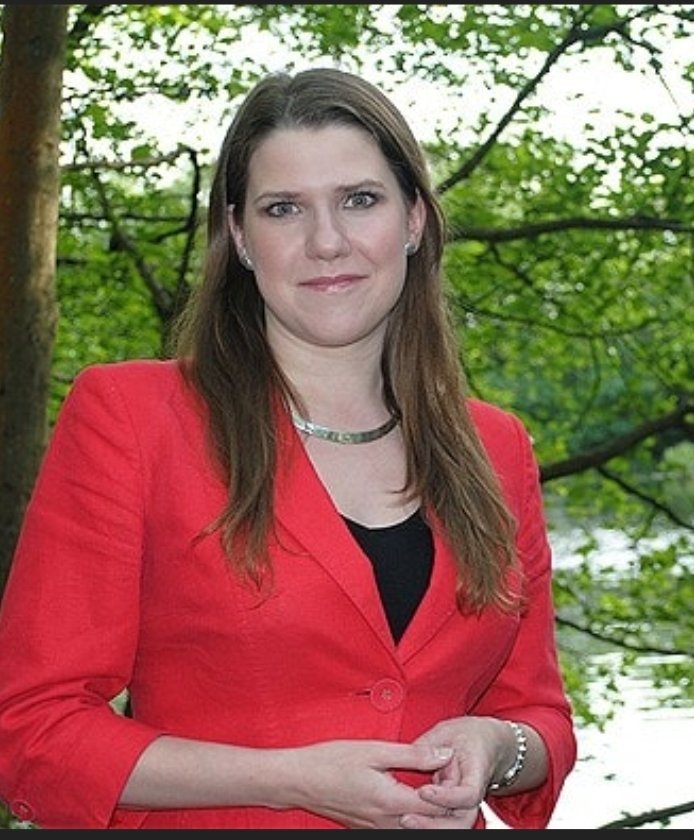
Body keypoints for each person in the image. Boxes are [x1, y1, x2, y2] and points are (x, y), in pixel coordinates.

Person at [0, 67, 576, 830]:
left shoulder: (495, 446)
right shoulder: (134, 418)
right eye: (283, 210)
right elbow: (31, 734)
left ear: (413, 220)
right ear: (239, 235)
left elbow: (537, 718)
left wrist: (494, 745)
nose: (327, 241)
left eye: (360, 200)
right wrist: (290, 779)